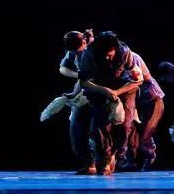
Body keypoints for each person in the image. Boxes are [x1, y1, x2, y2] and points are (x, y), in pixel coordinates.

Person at [76, 31, 143, 175]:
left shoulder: (125, 52)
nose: (107, 58)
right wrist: (104, 91)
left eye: (110, 55)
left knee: (125, 125)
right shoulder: (89, 54)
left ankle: (114, 154)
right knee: (100, 126)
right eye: (103, 55)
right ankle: (105, 159)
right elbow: (83, 82)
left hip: (124, 88)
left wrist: (117, 92)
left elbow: (138, 80)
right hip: (99, 88)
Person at [120, 50, 165, 171]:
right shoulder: (117, 59)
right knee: (130, 129)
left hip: (151, 97)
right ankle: (131, 160)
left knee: (146, 133)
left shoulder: (131, 57)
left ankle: (151, 156)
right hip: (135, 98)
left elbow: (137, 80)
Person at [58, 29, 95, 174]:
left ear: (85, 42)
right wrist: (75, 92)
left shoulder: (93, 51)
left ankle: (103, 162)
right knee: (77, 129)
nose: (77, 53)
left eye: (78, 49)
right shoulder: (74, 52)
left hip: (100, 92)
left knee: (97, 130)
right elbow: (64, 69)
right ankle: (90, 163)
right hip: (86, 91)